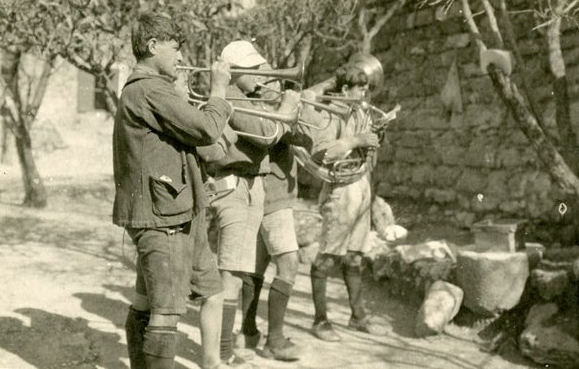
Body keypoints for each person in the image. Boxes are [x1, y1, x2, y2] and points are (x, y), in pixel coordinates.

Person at [113, 12, 234, 369]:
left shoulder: (155, 90)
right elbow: (208, 130)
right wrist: (218, 91)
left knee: (200, 292)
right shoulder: (149, 89)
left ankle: (211, 361)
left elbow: (204, 145)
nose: (181, 58)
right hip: (163, 216)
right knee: (163, 313)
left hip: (181, 211)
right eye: (176, 48)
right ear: (152, 46)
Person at [198, 40, 301, 367]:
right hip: (236, 188)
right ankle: (223, 355)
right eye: (256, 70)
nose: (264, 75)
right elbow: (268, 133)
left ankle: (226, 351)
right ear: (235, 71)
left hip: (247, 187)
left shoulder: (243, 96)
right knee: (229, 276)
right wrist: (287, 107)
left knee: (235, 273)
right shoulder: (232, 96)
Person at [237, 76, 317, 361]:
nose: (282, 90)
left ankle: (248, 332)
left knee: (257, 266)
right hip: (274, 197)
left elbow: (302, 140)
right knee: (289, 264)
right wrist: (293, 109)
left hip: (268, 194)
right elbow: (298, 138)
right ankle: (276, 340)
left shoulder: (265, 108)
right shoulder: (268, 112)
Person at [308, 64, 384, 342]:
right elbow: (321, 152)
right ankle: (320, 321)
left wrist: (374, 138)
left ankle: (357, 316)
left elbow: (363, 146)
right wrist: (356, 139)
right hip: (340, 192)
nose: (365, 91)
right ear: (344, 89)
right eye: (360, 87)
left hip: (361, 185)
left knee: (354, 256)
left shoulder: (361, 111)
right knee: (328, 257)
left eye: (366, 86)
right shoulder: (330, 113)